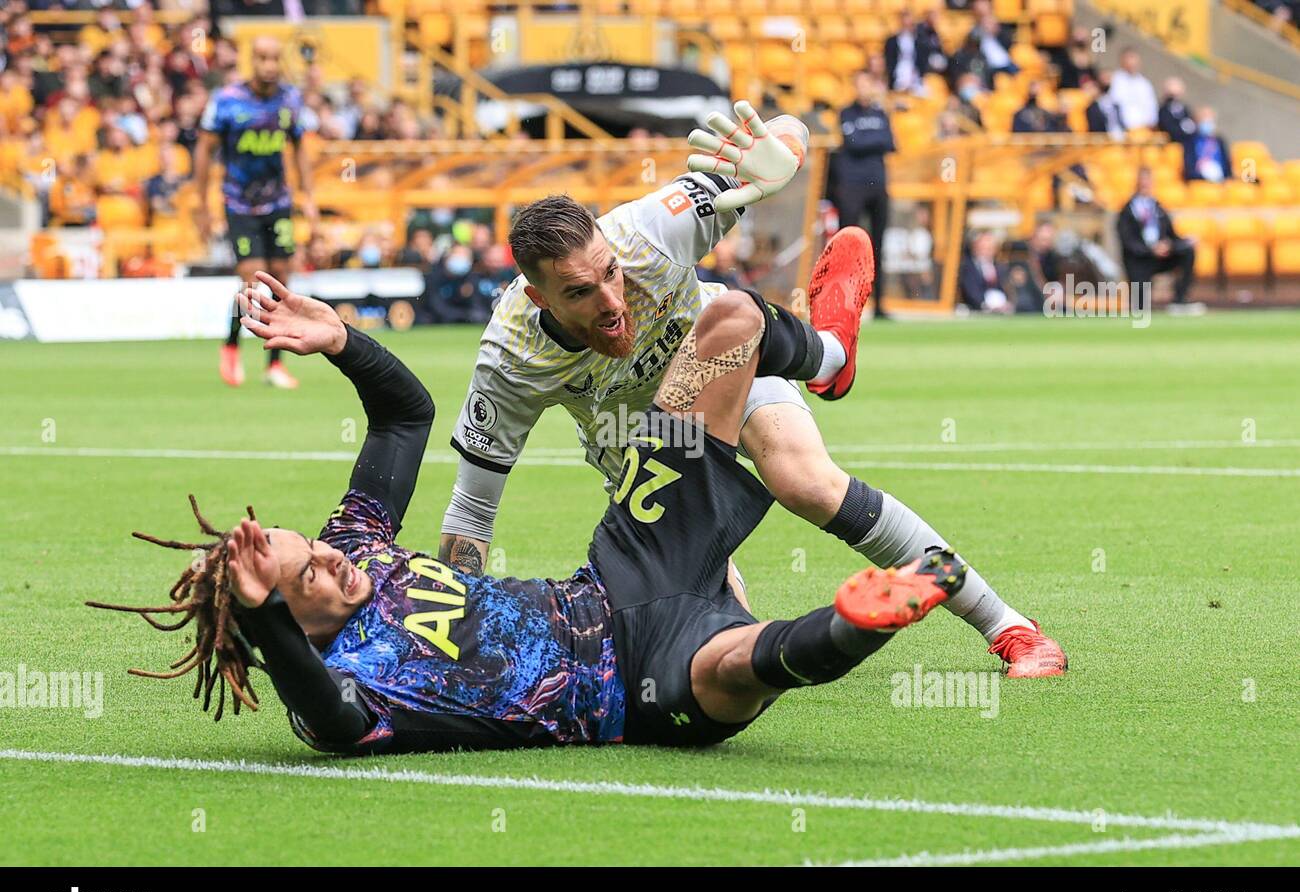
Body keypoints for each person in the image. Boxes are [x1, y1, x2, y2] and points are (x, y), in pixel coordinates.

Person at [90, 270, 977, 754]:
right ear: (283, 622)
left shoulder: (356, 543)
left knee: (725, 327)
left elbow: (405, 415)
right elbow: (324, 716)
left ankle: (825, 349)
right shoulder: (345, 690)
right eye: (303, 575)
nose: (327, 555)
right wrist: (259, 617)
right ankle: (879, 607)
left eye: (307, 544)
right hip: (626, 689)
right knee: (736, 669)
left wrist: (342, 341)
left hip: (618, 573)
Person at [439, 100, 1066, 679]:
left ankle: (1009, 627)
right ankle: (828, 355)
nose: (612, 301)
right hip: (635, 435)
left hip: (721, 355)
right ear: (536, 296)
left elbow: (783, 139)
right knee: (704, 632)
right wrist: (451, 643)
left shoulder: (652, 230)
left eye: (611, 273)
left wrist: (781, 148)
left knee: (807, 482)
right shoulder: (510, 360)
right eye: (580, 293)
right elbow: (472, 512)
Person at [195, 35, 318, 389]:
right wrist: (202, 205)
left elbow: (299, 148)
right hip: (239, 203)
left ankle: (274, 364)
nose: (269, 66)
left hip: (278, 202)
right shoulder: (227, 101)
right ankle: (232, 345)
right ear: (252, 60)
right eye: (262, 58)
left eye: (274, 58)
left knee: (281, 279)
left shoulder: (290, 99)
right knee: (252, 282)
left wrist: (308, 195)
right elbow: (204, 149)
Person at [834, 72, 895, 319]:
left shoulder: (881, 113)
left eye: (867, 84)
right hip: (852, 186)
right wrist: (875, 141)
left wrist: (869, 141)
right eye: (859, 84)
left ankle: (879, 305)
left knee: (878, 247)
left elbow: (890, 142)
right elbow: (852, 143)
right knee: (847, 246)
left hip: (877, 185)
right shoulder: (846, 113)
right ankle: (845, 304)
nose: (864, 89)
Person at [1118, 168, 1196, 312]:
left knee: (1187, 251)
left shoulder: (1158, 208)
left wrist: (1179, 243)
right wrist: (1150, 250)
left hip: (1161, 257)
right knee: (1140, 306)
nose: (1146, 186)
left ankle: (1180, 299)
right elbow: (1127, 241)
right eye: (1143, 182)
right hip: (1139, 260)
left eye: (1148, 182)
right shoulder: (1128, 210)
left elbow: (1171, 234)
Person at [959, 231, 1014, 313]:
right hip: (978, 309)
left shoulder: (1000, 267)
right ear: (975, 247)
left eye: (989, 248)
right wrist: (984, 305)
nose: (985, 251)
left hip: (1001, 308)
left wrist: (1008, 303)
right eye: (982, 248)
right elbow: (971, 291)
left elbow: (1007, 288)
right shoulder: (967, 266)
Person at [1107, 48, 1158, 131]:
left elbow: (1151, 108)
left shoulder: (1145, 84)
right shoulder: (1114, 80)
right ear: (1122, 61)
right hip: (1121, 131)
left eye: (1134, 58)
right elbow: (1114, 106)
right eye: (1129, 58)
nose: (1132, 63)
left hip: (1144, 131)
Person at [1182, 107, 1231, 184]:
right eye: (1204, 120)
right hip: (1200, 181)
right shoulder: (1190, 141)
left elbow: (1227, 165)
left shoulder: (1219, 141)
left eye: (1210, 120)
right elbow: (1189, 169)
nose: (1207, 123)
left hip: (1221, 180)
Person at [1157, 77, 1196, 146]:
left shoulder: (1184, 109)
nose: (1174, 99)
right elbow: (1169, 130)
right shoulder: (1164, 111)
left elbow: (1192, 128)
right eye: (1172, 96)